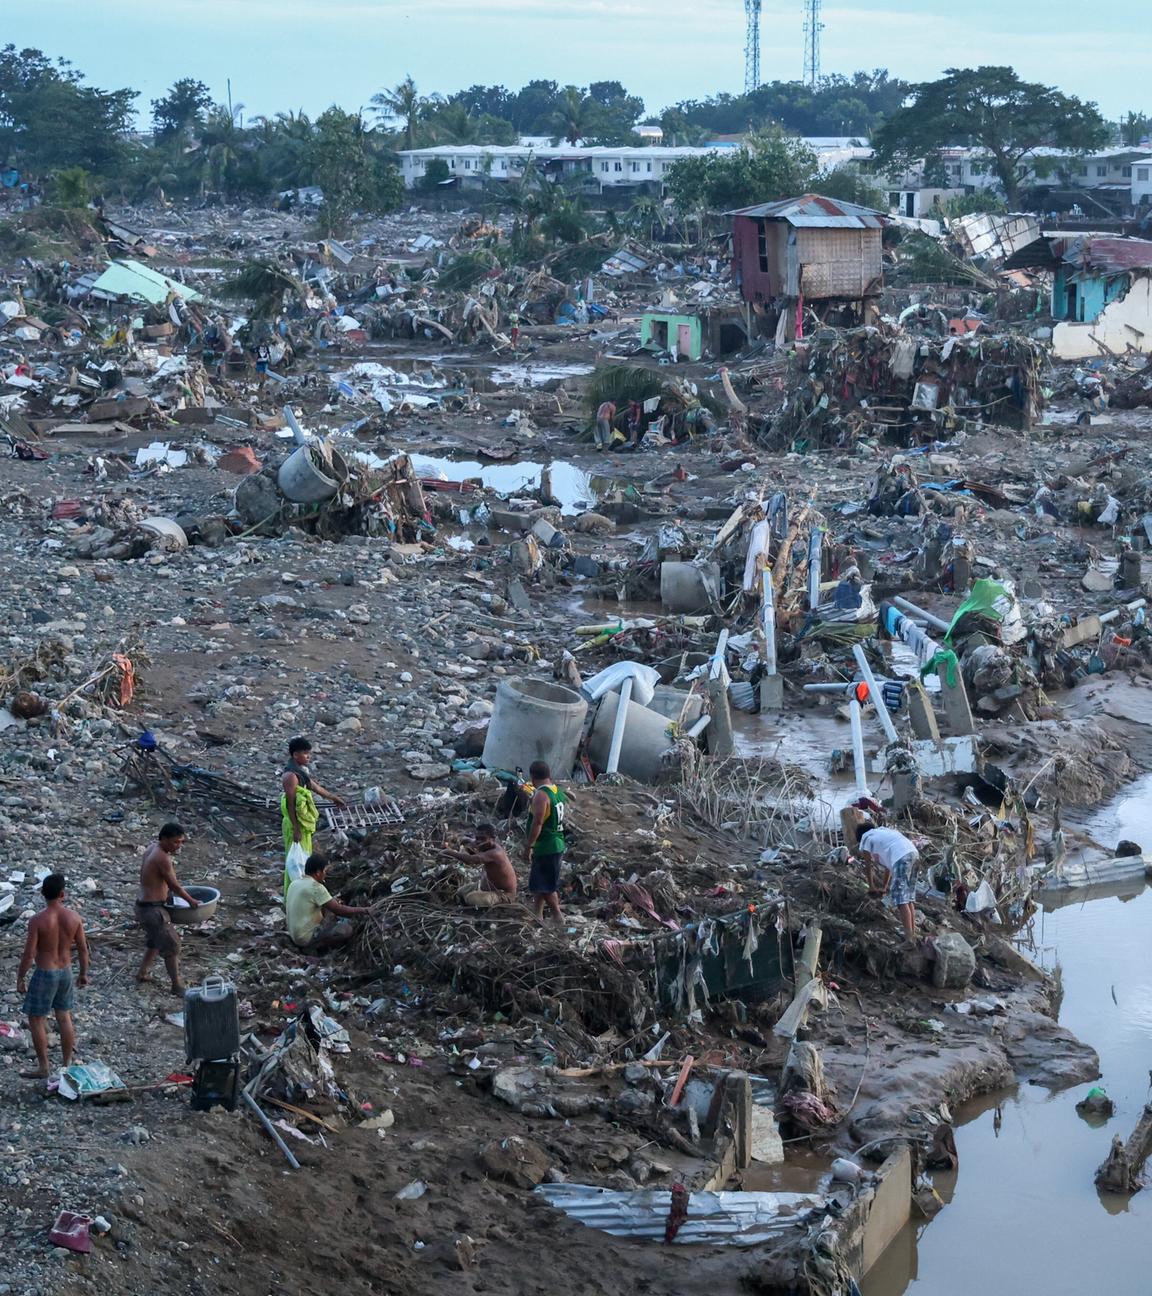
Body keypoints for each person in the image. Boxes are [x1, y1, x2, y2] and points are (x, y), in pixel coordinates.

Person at [17, 873, 89, 1081]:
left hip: (45, 972)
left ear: (42, 894)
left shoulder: (37, 920)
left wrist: (20, 977)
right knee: (64, 1017)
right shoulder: (74, 917)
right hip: (65, 971)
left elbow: (29, 954)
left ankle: (44, 1067)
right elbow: (83, 950)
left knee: (36, 1019)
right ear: (62, 894)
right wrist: (83, 974)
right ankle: (66, 1065)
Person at [136, 823, 199, 994]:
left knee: (155, 941)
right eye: (175, 842)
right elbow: (175, 886)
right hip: (153, 910)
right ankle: (177, 986)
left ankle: (142, 972)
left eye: (181, 842)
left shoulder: (152, 848)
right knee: (172, 945)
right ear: (164, 839)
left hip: (143, 906)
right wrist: (192, 902)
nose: (178, 846)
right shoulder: (162, 858)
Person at [281, 737, 346, 891]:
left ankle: (302, 890)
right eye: (305, 753)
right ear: (295, 755)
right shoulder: (290, 776)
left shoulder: (300, 773)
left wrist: (333, 798)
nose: (308, 756)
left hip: (302, 824)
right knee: (296, 861)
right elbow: (291, 803)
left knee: (303, 858)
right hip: (294, 823)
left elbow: (315, 787)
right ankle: (295, 893)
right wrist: (296, 828)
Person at [285, 854, 370, 952]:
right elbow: (339, 910)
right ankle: (315, 947)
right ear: (317, 873)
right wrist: (363, 910)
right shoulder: (315, 887)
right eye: (324, 871)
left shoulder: (294, 883)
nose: (325, 874)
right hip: (304, 938)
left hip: (294, 935)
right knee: (346, 930)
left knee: (328, 911)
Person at [857, 823, 921, 940]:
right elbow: (888, 867)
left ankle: (909, 939)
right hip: (914, 853)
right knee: (908, 899)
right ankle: (913, 934)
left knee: (901, 900)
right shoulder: (884, 833)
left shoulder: (866, 838)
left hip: (901, 857)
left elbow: (868, 865)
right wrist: (884, 887)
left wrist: (871, 886)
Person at [524, 760, 568, 923]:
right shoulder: (557, 791)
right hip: (556, 843)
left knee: (546, 885)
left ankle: (557, 916)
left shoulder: (541, 795)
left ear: (533, 776)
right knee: (539, 882)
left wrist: (529, 846)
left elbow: (538, 823)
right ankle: (537, 913)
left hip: (546, 845)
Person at [444, 823, 518, 906]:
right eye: (477, 838)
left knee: (471, 898)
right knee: (460, 891)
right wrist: (466, 839)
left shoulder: (496, 853)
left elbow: (471, 860)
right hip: (487, 887)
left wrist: (449, 852)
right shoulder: (486, 845)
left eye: (482, 838)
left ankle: (495, 902)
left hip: (504, 894)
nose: (479, 842)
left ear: (493, 839)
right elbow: (475, 841)